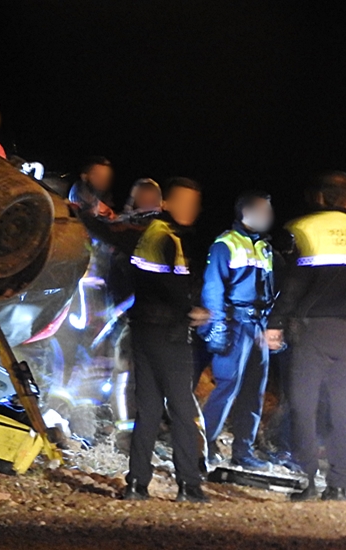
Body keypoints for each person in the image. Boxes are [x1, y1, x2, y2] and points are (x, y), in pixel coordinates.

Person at [267, 171, 346, 502]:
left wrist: (275, 322)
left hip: (312, 330)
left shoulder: (302, 228)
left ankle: (307, 479)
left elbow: (294, 283)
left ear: (319, 197)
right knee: (344, 406)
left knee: (303, 404)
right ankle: (339, 484)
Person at [123, 177, 210, 503]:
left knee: (147, 409)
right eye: (184, 202)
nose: (190, 209)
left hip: (143, 330)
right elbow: (172, 290)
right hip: (169, 334)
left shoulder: (149, 234)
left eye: (194, 204)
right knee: (182, 409)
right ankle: (189, 486)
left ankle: (136, 484)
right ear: (167, 203)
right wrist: (194, 311)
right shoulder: (169, 239)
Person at [200, 191, 277, 472]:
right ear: (246, 213)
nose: (269, 217)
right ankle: (202, 446)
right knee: (227, 387)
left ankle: (242, 452)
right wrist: (217, 326)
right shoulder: (225, 244)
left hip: (259, 326)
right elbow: (213, 288)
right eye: (264, 211)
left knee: (254, 392)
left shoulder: (265, 248)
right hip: (235, 324)